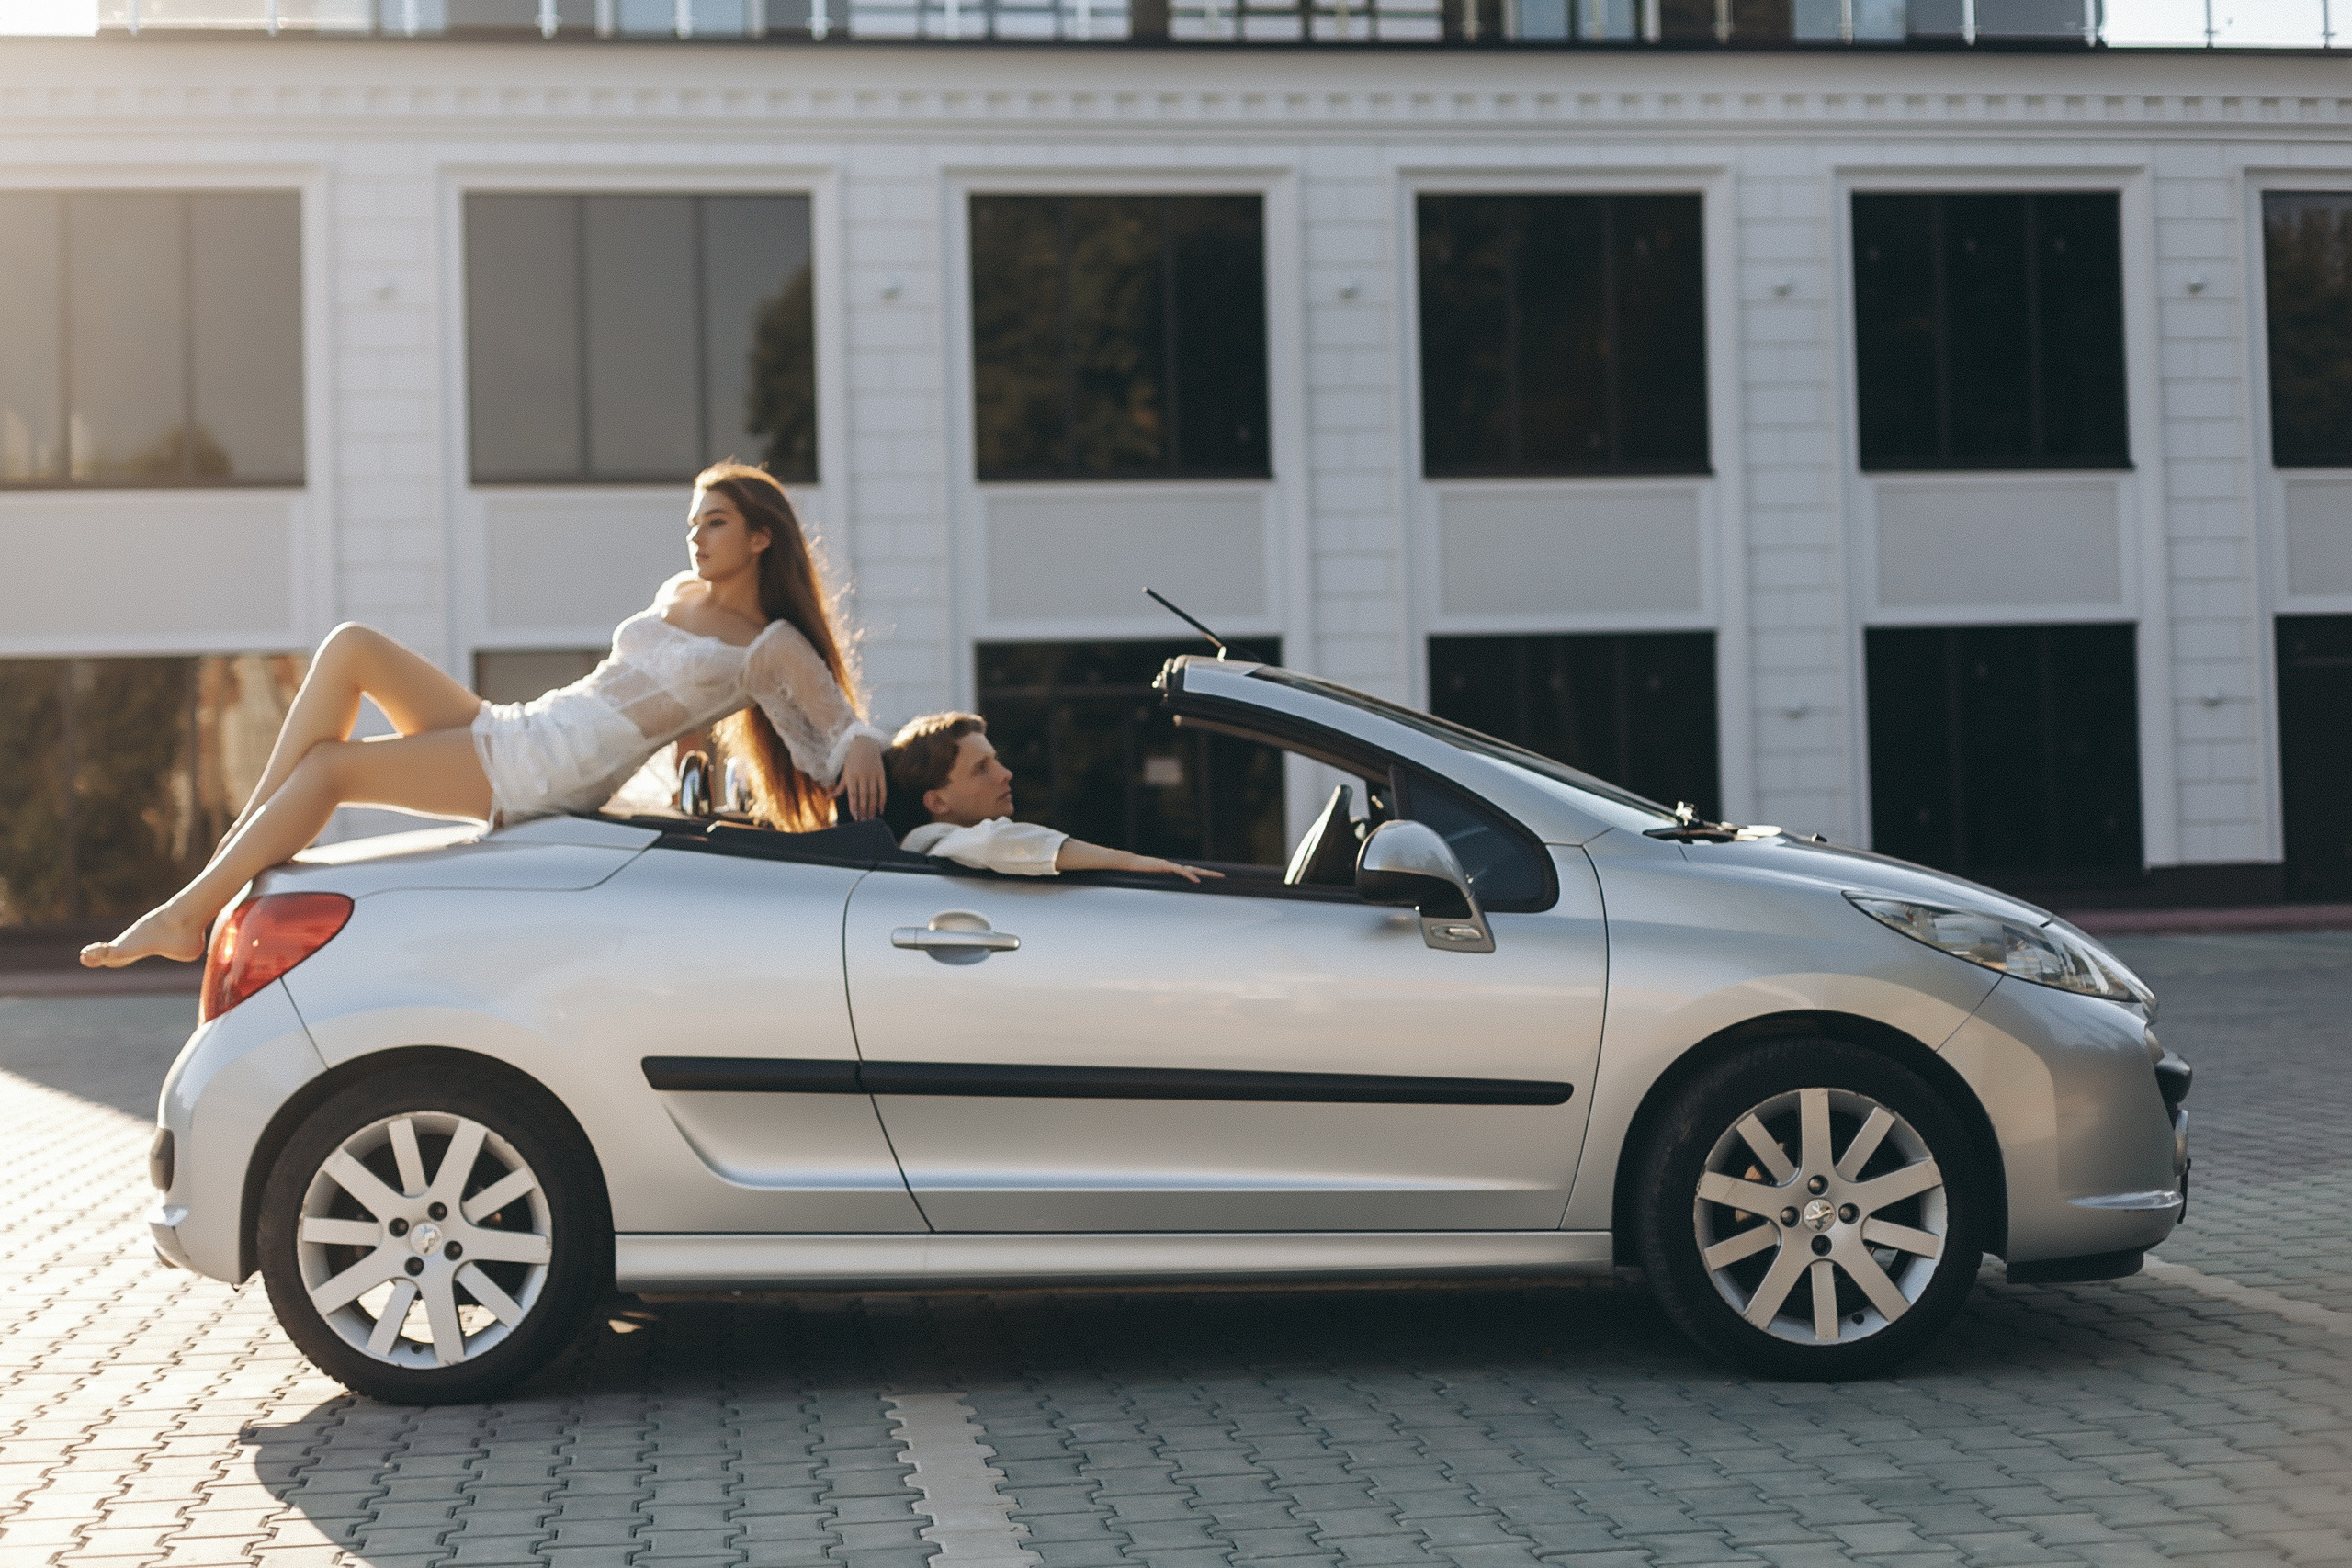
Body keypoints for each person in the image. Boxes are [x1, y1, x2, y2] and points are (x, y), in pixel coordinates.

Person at [82, 462, 888, 968]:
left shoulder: (770, 644)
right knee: (351, 644)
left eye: (714, 521)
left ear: (759, 536)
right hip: (526, 726)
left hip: (546, 770)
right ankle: (235, 851)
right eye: (690, 522)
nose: (695, 537)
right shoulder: (679, 596)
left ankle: (191, 909)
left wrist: (862, 748)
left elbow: (829, 730)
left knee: (330, 771)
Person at [882, 712, 1221, 883]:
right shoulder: (940, 845)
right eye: (981, 768)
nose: (1005, 773)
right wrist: (1131, 862)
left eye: (995, 760)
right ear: (938, 802)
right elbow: (997, 842)